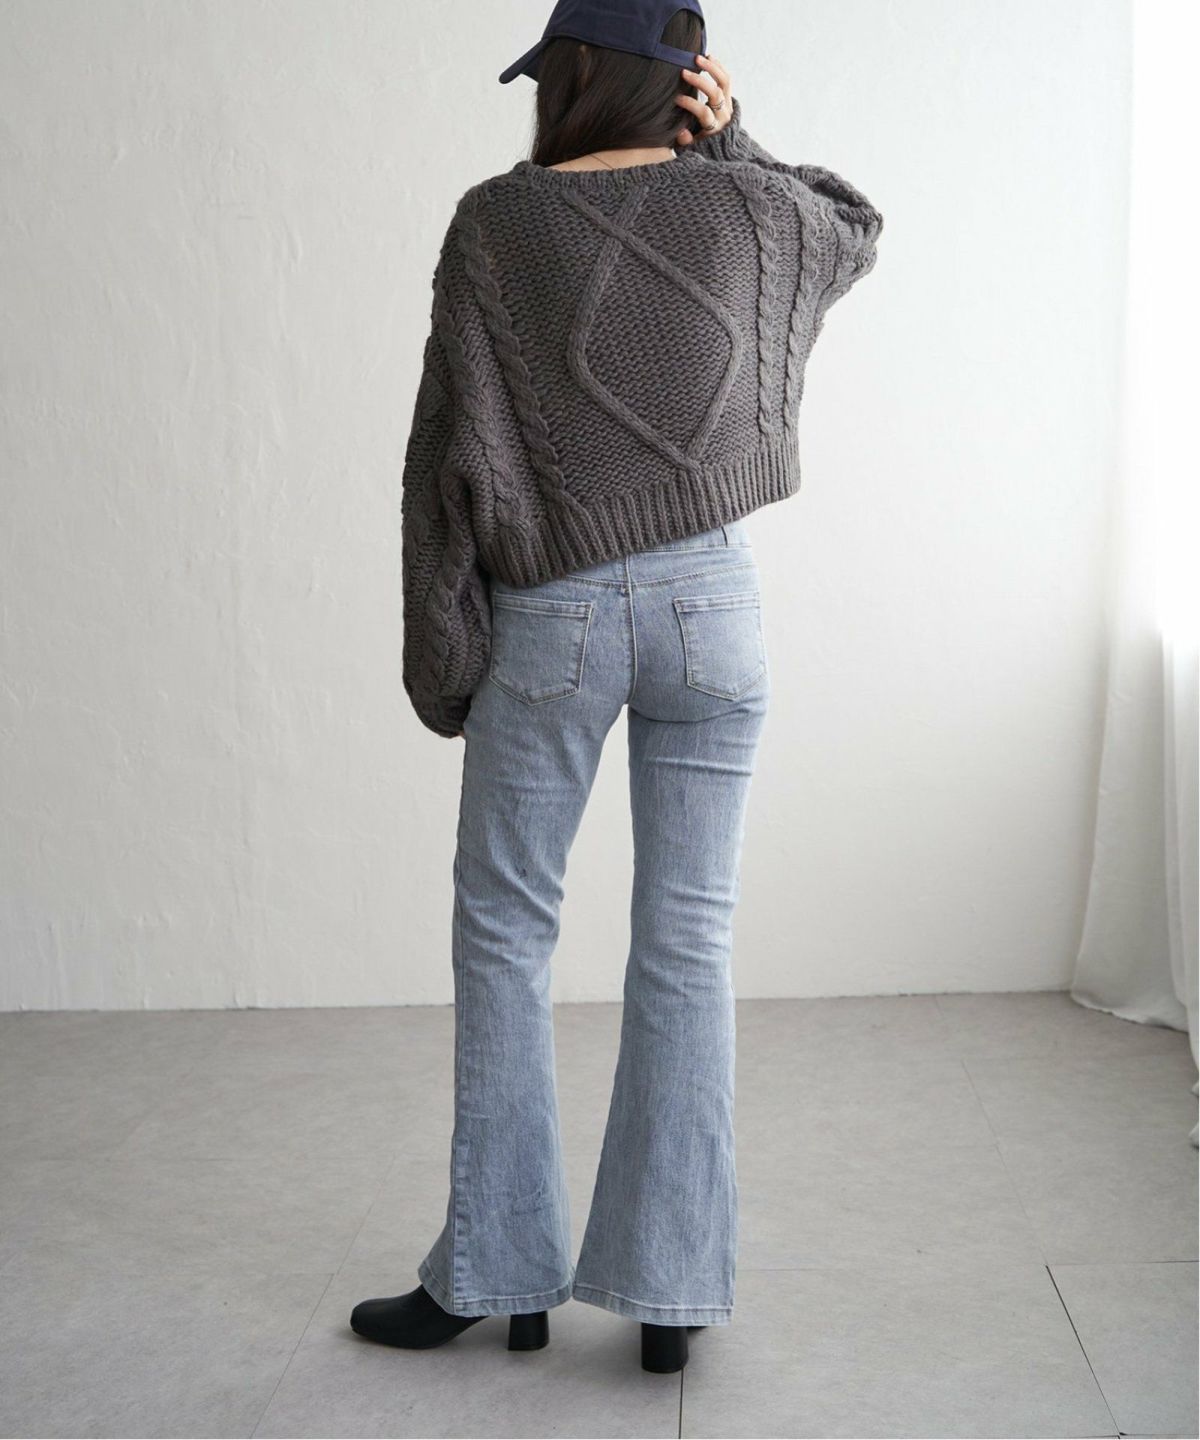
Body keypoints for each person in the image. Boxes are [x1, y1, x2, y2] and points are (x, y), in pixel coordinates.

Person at [350, 0, 884, 1376]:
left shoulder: (496, 225)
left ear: (578, 74)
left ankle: (496, 1274)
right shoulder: (750, 210)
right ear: (686, 83)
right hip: (716, 609)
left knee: (506, 934)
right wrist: (738, 140)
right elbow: (853, 229)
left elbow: (444, 457)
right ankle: (669, 1292)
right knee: (689, 942)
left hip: (556, 618)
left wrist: (443, 657)